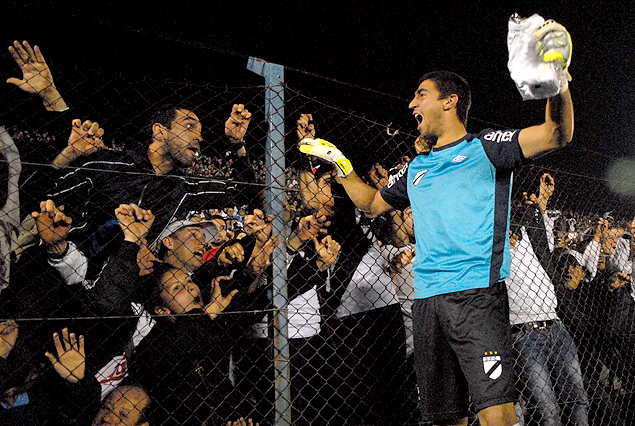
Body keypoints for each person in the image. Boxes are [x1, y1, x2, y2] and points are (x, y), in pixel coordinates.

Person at [299, 21, 573, 426]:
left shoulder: (487, 148)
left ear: (450, 101)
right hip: (426, 305)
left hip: (477, 301)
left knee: (498, 415)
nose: (411, 103)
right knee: (444, 418)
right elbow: (370, 204)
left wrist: (557, 81)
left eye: (420, 94)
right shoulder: (415, 169)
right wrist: (339, 162)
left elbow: (555, 133)